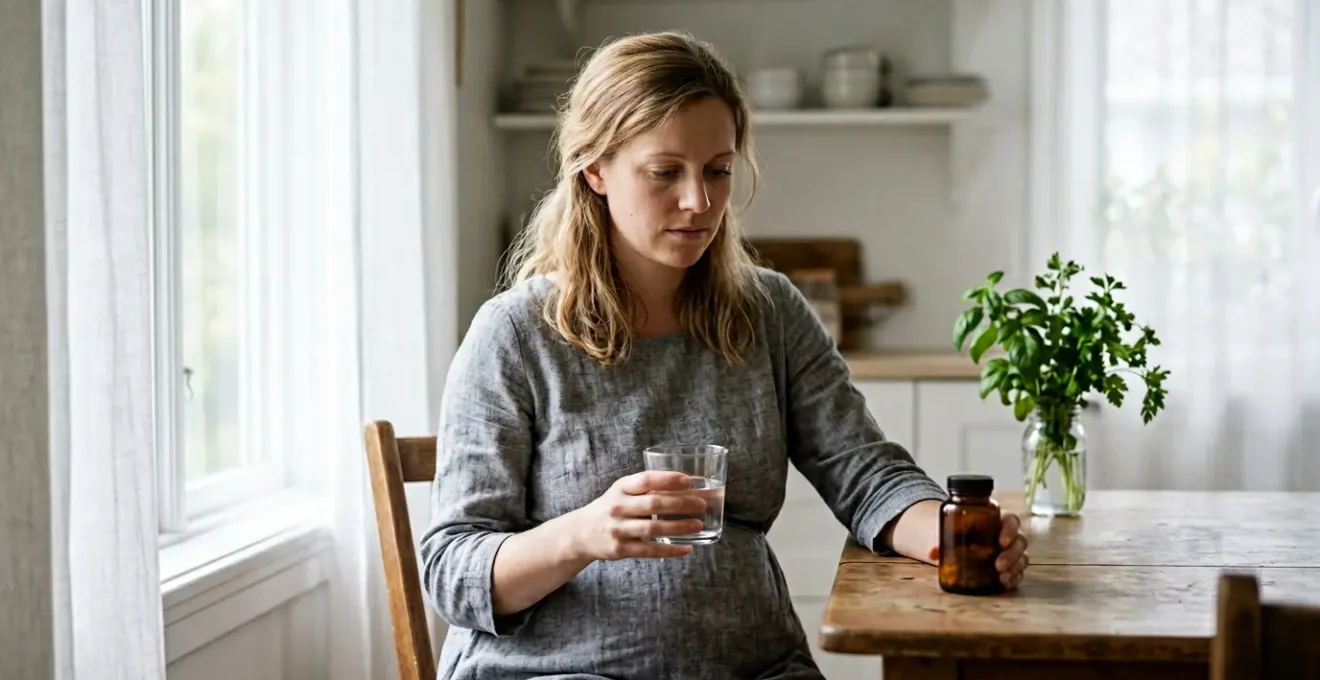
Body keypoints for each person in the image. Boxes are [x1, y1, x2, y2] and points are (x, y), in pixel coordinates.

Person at [419, 30, 1029, 679]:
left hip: (757, 668)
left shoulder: (768, 312)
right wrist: (585, 533)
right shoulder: (515, 334)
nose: (699, 202)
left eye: (718, 170)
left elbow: (865, 471)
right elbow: (453, 573)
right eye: (664, 172)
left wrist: (953, 535)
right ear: (594, 169)